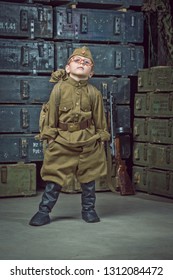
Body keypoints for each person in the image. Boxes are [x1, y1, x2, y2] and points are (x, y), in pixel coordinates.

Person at [29, 46, 110, 226]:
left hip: (87, 141)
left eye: (86, 62)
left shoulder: (94, 93)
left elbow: (99, 119)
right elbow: (51, 117)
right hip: (62, 140)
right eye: (77, 61)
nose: (81, 63)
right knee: (54, 178)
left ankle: (89, 210)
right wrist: (51, 139)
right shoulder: (59, 89)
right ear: (67, 68)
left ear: (91, 73)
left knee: (89, 180)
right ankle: (44, 211)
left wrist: (100, 137)